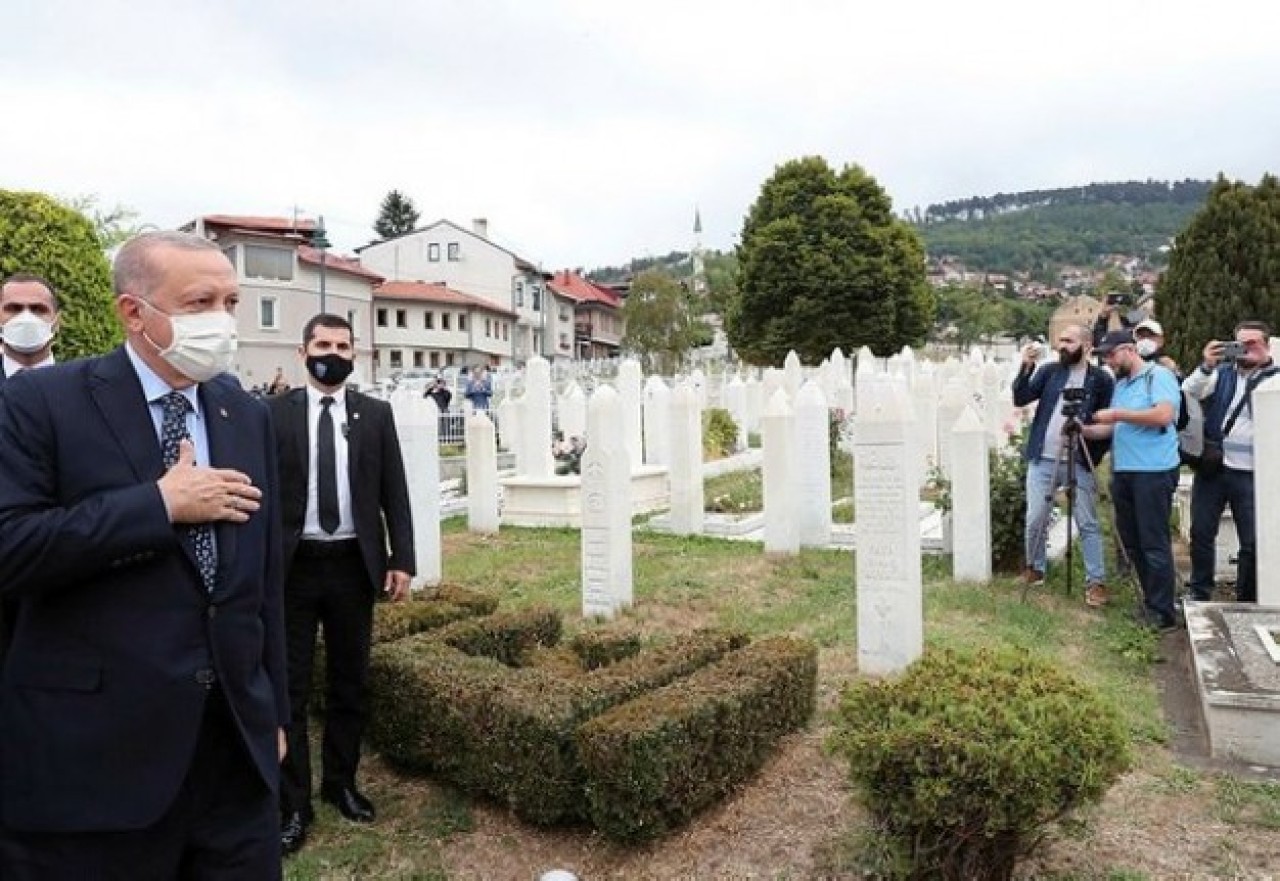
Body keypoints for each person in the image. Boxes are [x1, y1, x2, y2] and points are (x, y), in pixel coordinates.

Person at [0, 231, 289, 878]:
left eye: (230, 301)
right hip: (94, 765)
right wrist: (157, 505)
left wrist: (273, 712)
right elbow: (11, 547)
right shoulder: (40, 403)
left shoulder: (245, 414)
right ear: (134, 312)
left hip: (233, 763)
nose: (220, 319)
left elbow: (264, 581)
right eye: (199, 302)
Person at [268, 314, 415, 856]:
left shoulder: (374, 414)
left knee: (350, 679)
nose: (333, 352)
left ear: (356, 352)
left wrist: (403, 557)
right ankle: (294, 803)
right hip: (293, 566)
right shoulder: (272, 414)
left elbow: (394, 490)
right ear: (302, 349)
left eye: (342, 345)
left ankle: (341, 784)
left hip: (354, 564)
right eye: (323, 344)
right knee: (289, 686)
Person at [1011, 323, 1114, 606]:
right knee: (1036, 517)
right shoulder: (1049, 371)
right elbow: (1020, 397)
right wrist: (1025, 366)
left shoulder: (1101, 380)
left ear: (1087, 345)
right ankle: (1036, 567)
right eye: (1060, 341)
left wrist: (1093, 452)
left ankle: (1096, 581)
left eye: (1068, 341)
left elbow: (1108, 422)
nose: (1062, 346)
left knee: (1087, 521)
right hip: (1043, 458)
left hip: (1079, 459)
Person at [1086, 329, 1182, 631]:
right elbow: (1117, 428)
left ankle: (1164, 611)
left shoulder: (1159, 377)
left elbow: (1163, 416)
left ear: (1129, 349)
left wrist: (1116, 414)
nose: (1109, 362)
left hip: (1153, 471)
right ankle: (1149, 602)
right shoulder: (1121, 385)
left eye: (1112, 355)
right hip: (1125, 470)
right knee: (1133, 541)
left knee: (1154, 541)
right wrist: (1085, 431)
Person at [1181, 321, 1278, 604]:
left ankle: (1247, 597)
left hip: (1253, 472)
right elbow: (1189, 391)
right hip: (1215, 467)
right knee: (1201, 532)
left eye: (1253, 344)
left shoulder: (1276, 379)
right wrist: (1206, 365)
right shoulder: (1221, 374)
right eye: (1240, 344)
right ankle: (1200, 591)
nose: (1246, 350)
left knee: (1251, 540)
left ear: (1267, 346)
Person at [0, 272, 61, 380]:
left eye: (38, 309)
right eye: (14, 309)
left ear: (56, 322)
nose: (26, 317)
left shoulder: (80, 385)